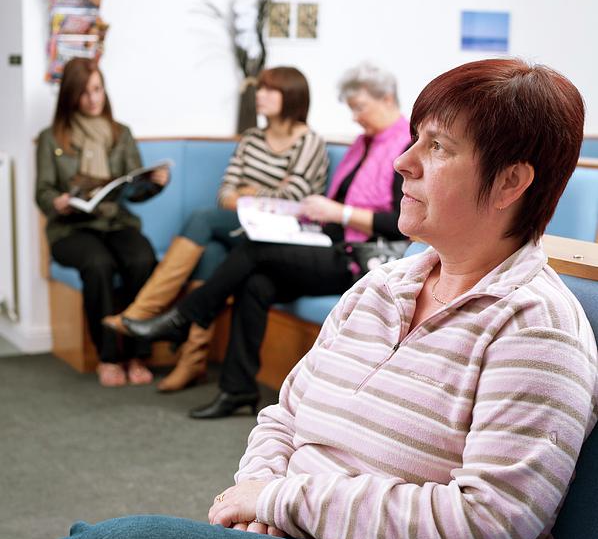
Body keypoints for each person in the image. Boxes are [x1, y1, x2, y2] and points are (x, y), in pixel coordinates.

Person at [2, 58, 597, 539]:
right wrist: (261, 510)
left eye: (438, 148)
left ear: (512, 182)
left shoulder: (536, 327)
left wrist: (285, 502)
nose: (405, 163)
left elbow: (486, 525)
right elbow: (285, 415)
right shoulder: (385, 286)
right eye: (413, 139)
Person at [119, 62, 412, 415]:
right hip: (330, 246)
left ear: (388, 98)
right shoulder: (363, 143)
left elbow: (400, 222)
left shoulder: (405, 144)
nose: (355, 117)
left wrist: (338, 213)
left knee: (255, 250)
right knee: (257, 282)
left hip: (362, 260)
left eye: (360, 107)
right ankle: (237, 389)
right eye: (351, 109)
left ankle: (185, 317)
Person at [103, 66, 329, 392]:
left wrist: (248, 192)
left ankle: (143, 310)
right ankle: (192, 361)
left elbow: (291, 198)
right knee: (211, 249)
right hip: (245, 225)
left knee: (203, 219)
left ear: (291, 96)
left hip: (283, 231)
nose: (260, 95)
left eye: (270, 90)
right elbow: (224, 193)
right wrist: (255, 193)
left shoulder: (309, 142)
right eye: (260, 88)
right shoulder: (252, 139)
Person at [36, 57, 169, 387]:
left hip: (114, 221)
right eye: (84, 93)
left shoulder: (121, 134)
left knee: (141, 257)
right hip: (71, 228)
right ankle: (108, 356)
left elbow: (133, 191)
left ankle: (138, 353)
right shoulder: (52, 137)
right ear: (70, 97)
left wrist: (153, 184)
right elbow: (42, 191)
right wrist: (58, 202)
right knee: (98, 264)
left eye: (97, 90)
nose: (93, 99)